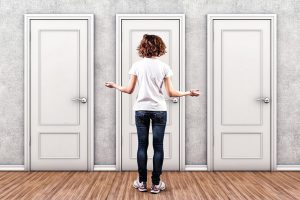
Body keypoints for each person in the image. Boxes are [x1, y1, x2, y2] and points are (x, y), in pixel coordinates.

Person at [105, 34, 200, 194]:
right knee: (158, 147)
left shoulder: (137, 66)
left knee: (142, 146)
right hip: (159, 111)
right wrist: (189, 93)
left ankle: (141, 182)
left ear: (143, 47)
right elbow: (171, 93)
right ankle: (156, 184)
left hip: (141, 110)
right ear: (160, 47)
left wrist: (115, 85)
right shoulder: (164, 67)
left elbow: (128, 90)